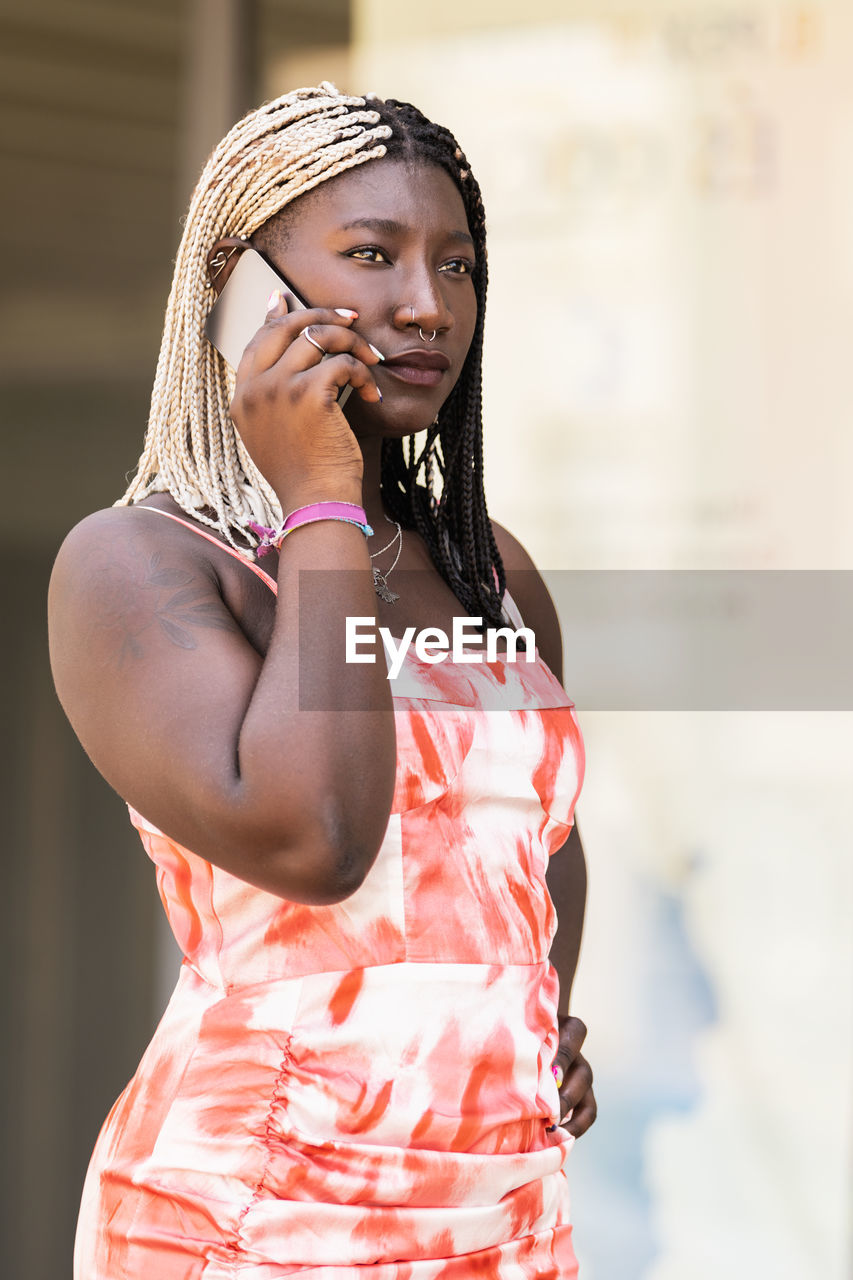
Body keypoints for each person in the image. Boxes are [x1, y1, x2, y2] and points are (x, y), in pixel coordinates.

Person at [48, 83, 595, 1278]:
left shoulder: (487, 570)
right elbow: (319, 832)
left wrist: (528, 1013)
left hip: (494, 1205)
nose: (425, 304)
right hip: (258, 1208)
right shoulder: (137, 564)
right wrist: (319, 497)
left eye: (456, 266)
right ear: (244, 292)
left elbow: (540, 834)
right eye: (372, 254)